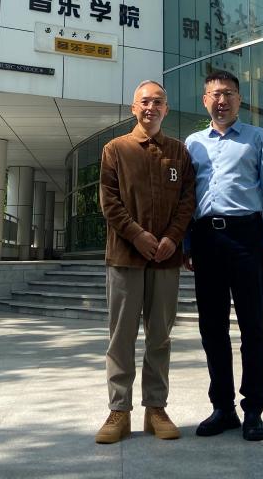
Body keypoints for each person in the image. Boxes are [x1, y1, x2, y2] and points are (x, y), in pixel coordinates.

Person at [184, 70, 263, 442]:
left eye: (228, 93)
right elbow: (186, 198)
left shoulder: (259, 138)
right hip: (206, 240)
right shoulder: (192, 143)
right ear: (205, 101)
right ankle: (223, 408)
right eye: (215, 94)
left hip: (246, 238)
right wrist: (187, 243)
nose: (221, 100)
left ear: (239, 100)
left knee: (252, 327)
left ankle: (254, 409)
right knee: (212, 328)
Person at [95, 80, 197, 444]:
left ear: (166, 109)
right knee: (121, 338)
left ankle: (156, 409)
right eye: (144, 102)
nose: (150, 107)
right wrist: (138, 235)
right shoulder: (115, 149)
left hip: (166, 260)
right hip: (125, 258)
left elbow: (188, 200)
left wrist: (172, 238)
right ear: (133, 108)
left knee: (159, 337)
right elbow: (109, 203)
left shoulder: (179, 153)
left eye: (157, 102)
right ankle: (118, 411)